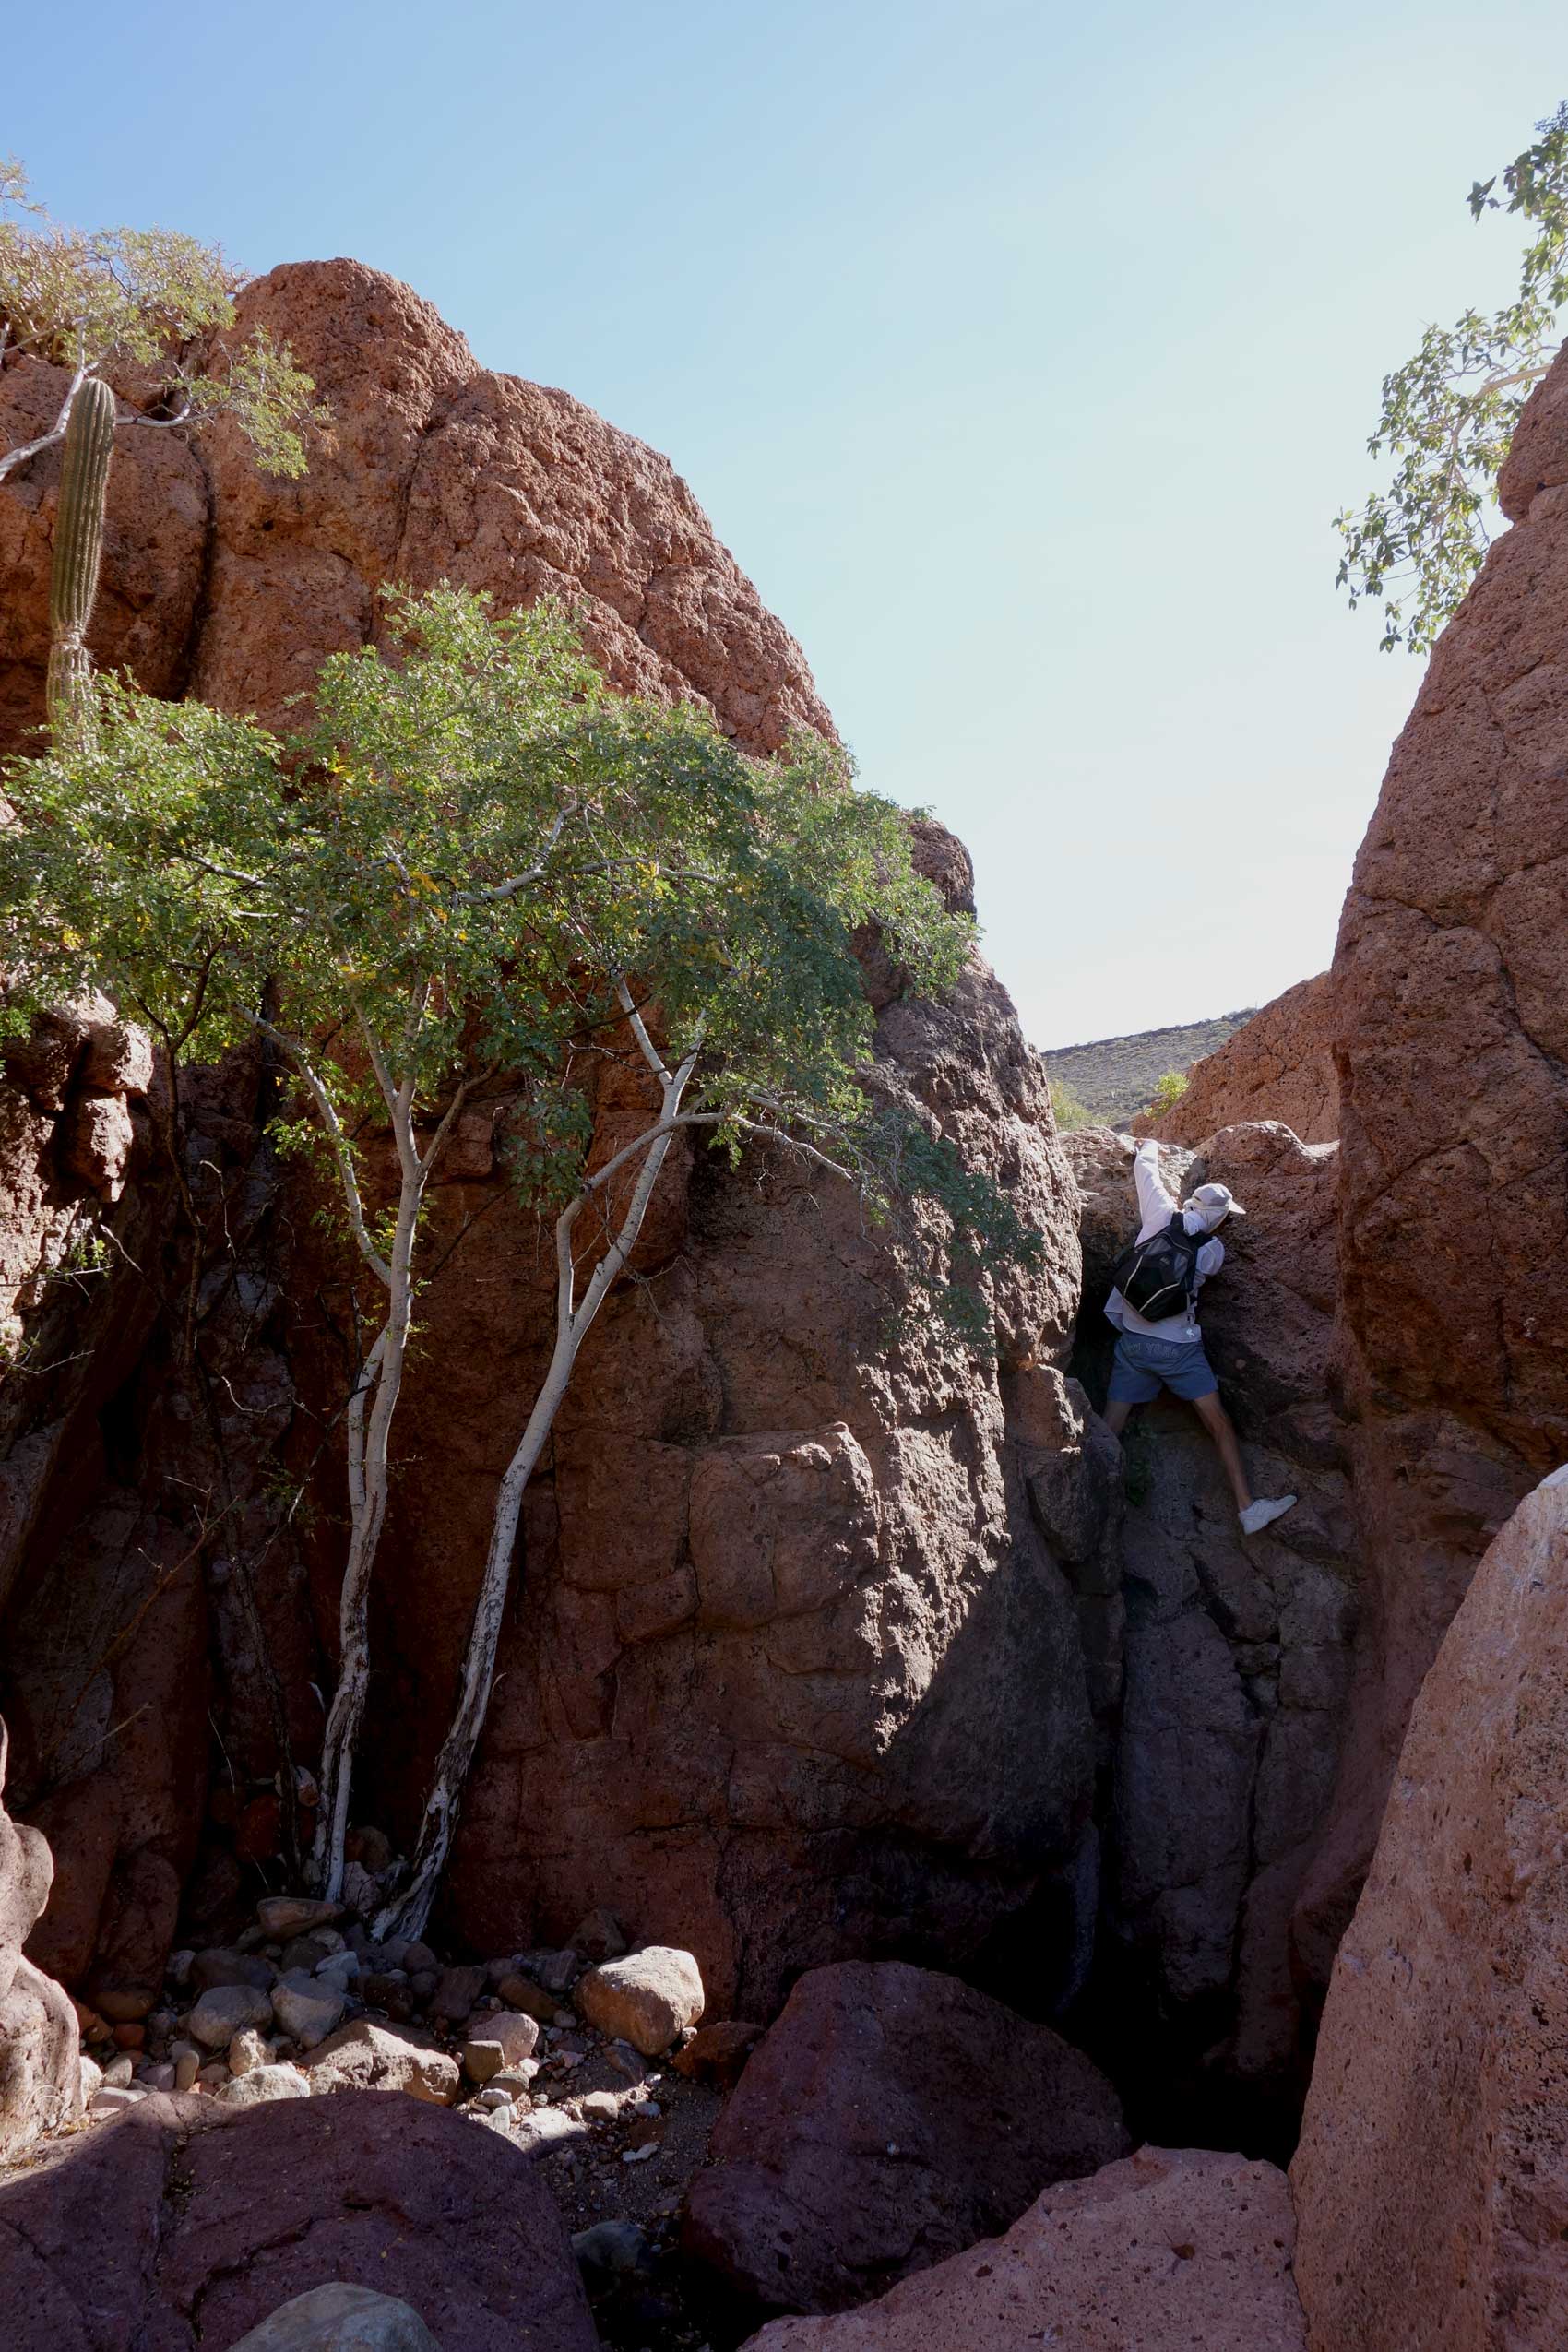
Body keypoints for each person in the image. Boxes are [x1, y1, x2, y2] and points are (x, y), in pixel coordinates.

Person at [1102, 1138, 1297, 1537]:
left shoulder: (1160, 1213)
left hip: (1133, 1344)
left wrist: (1149, 1145)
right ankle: (1247, 1508)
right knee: (1219, 1423)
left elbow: (1146, 1170)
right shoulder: (1214, 1251)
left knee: (1109, 1427)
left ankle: (1090, 1495)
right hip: (1179, 1351)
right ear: (1220, 1218)